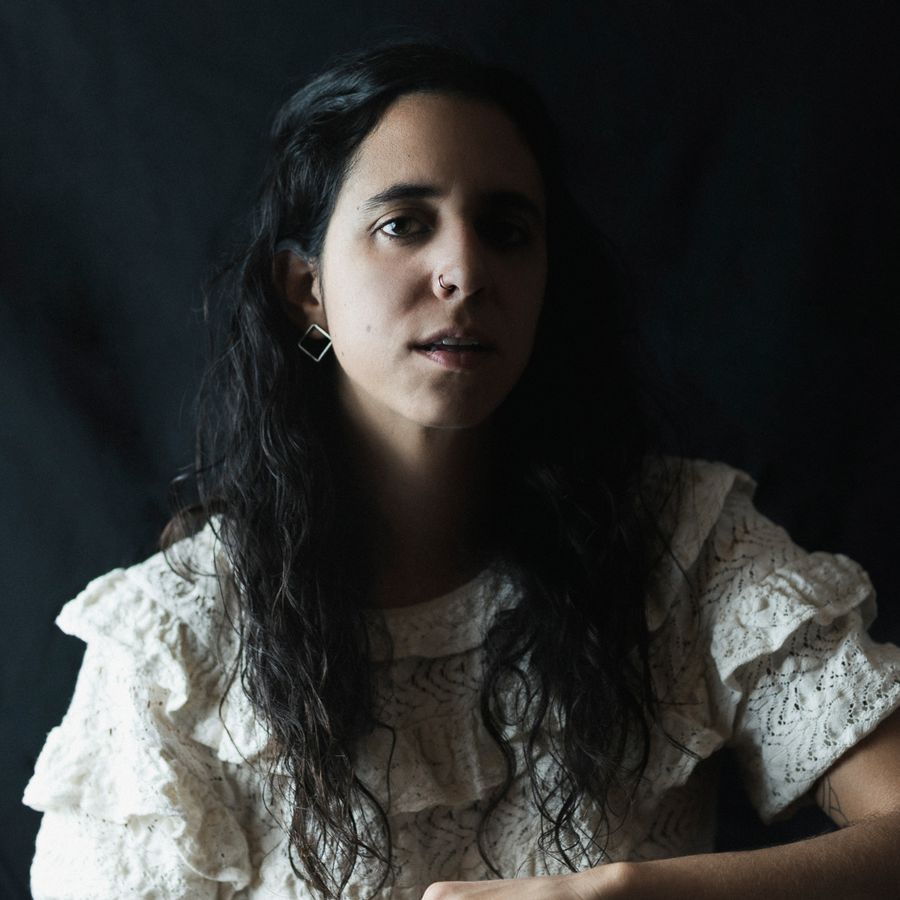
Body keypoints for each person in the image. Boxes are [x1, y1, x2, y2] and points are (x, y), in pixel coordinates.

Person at [23, 40, 900, 900]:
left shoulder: (683, 545)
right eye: (403, 224)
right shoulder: (173, 640)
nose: (466, 271)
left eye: (507, 232)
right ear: (306, 290)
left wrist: (626, 895)